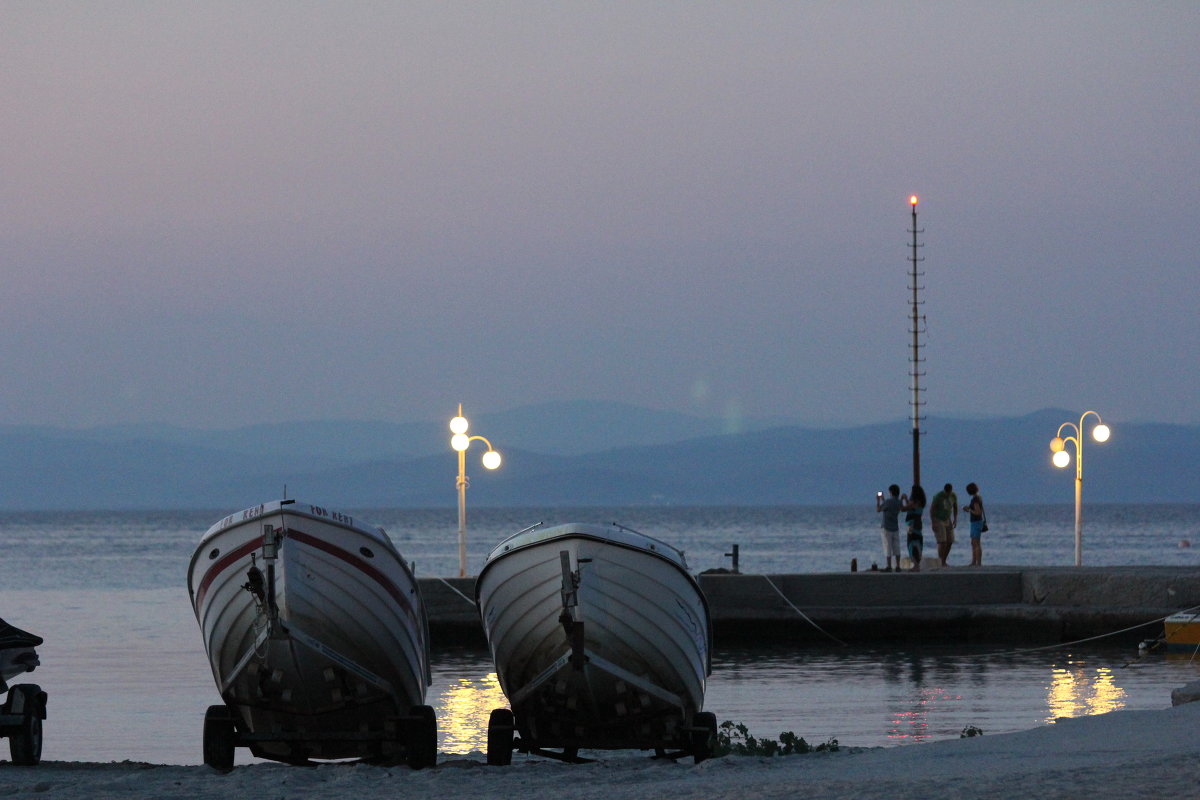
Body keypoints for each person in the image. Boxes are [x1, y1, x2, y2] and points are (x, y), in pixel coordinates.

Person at [875, 484, 902, 572]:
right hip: (895, 527)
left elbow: (879, 509)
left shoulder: (887, 502)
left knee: (887, 547)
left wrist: (878, 501)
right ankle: (898, 566)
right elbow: (890, 505)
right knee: (896, 546)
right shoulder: (899, 502)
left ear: (890, 492)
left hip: (886, 527)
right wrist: (883, 499)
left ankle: (889, 566)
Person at [901, 484, 926, 571]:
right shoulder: (921, 502)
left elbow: (904, 509)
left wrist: (902, 499)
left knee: (911, 543)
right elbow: (911, 506)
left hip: (912, 524)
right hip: (918, 523)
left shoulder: (914, 502)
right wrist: (907, 499)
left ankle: (915, 565)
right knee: (918, 542)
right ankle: (917, 564)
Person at [930, 483, 955, 566]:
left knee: (950, 540)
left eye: (949, 493)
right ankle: (940, 561)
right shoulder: (938, 496)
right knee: (942, 541)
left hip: (947, 518)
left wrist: (955, 518)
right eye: (947, 493)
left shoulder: (953, 496)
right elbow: (932, 509)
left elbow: (955, 506)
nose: (948, 494)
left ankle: (944, 560)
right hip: (938, 519)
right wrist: (933, 522)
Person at [964, 482, 985, 566]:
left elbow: (978, 512)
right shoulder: (978, 498)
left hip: (976, 522)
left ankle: (978, 562)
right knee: (973, 542)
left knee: (976, 542)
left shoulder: (976, 499)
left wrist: (969, 510)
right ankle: (974, 561)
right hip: (975, 522)